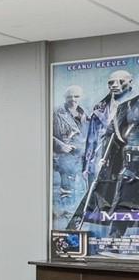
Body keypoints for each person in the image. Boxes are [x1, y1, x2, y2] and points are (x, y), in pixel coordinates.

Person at [81, 69, 139, 234]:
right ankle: (114, 239)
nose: (115, 85)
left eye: (120, 82)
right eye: (112, 82)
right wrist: (102, 160)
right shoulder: (125, 106)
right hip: (129, 165)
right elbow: (110, 134)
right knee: (124, 202)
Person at [53, 85, 86, 215]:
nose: (73, 99)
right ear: (64, 98)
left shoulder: (84, 113)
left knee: (83, 187)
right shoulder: (56, 112)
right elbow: (44, 133)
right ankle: (66, 214)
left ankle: (78, 213)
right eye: (69, 96)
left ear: (81, 97)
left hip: (82, 155)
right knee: (67, 188)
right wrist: (60, 145)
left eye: (76, 96)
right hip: (65, 156)